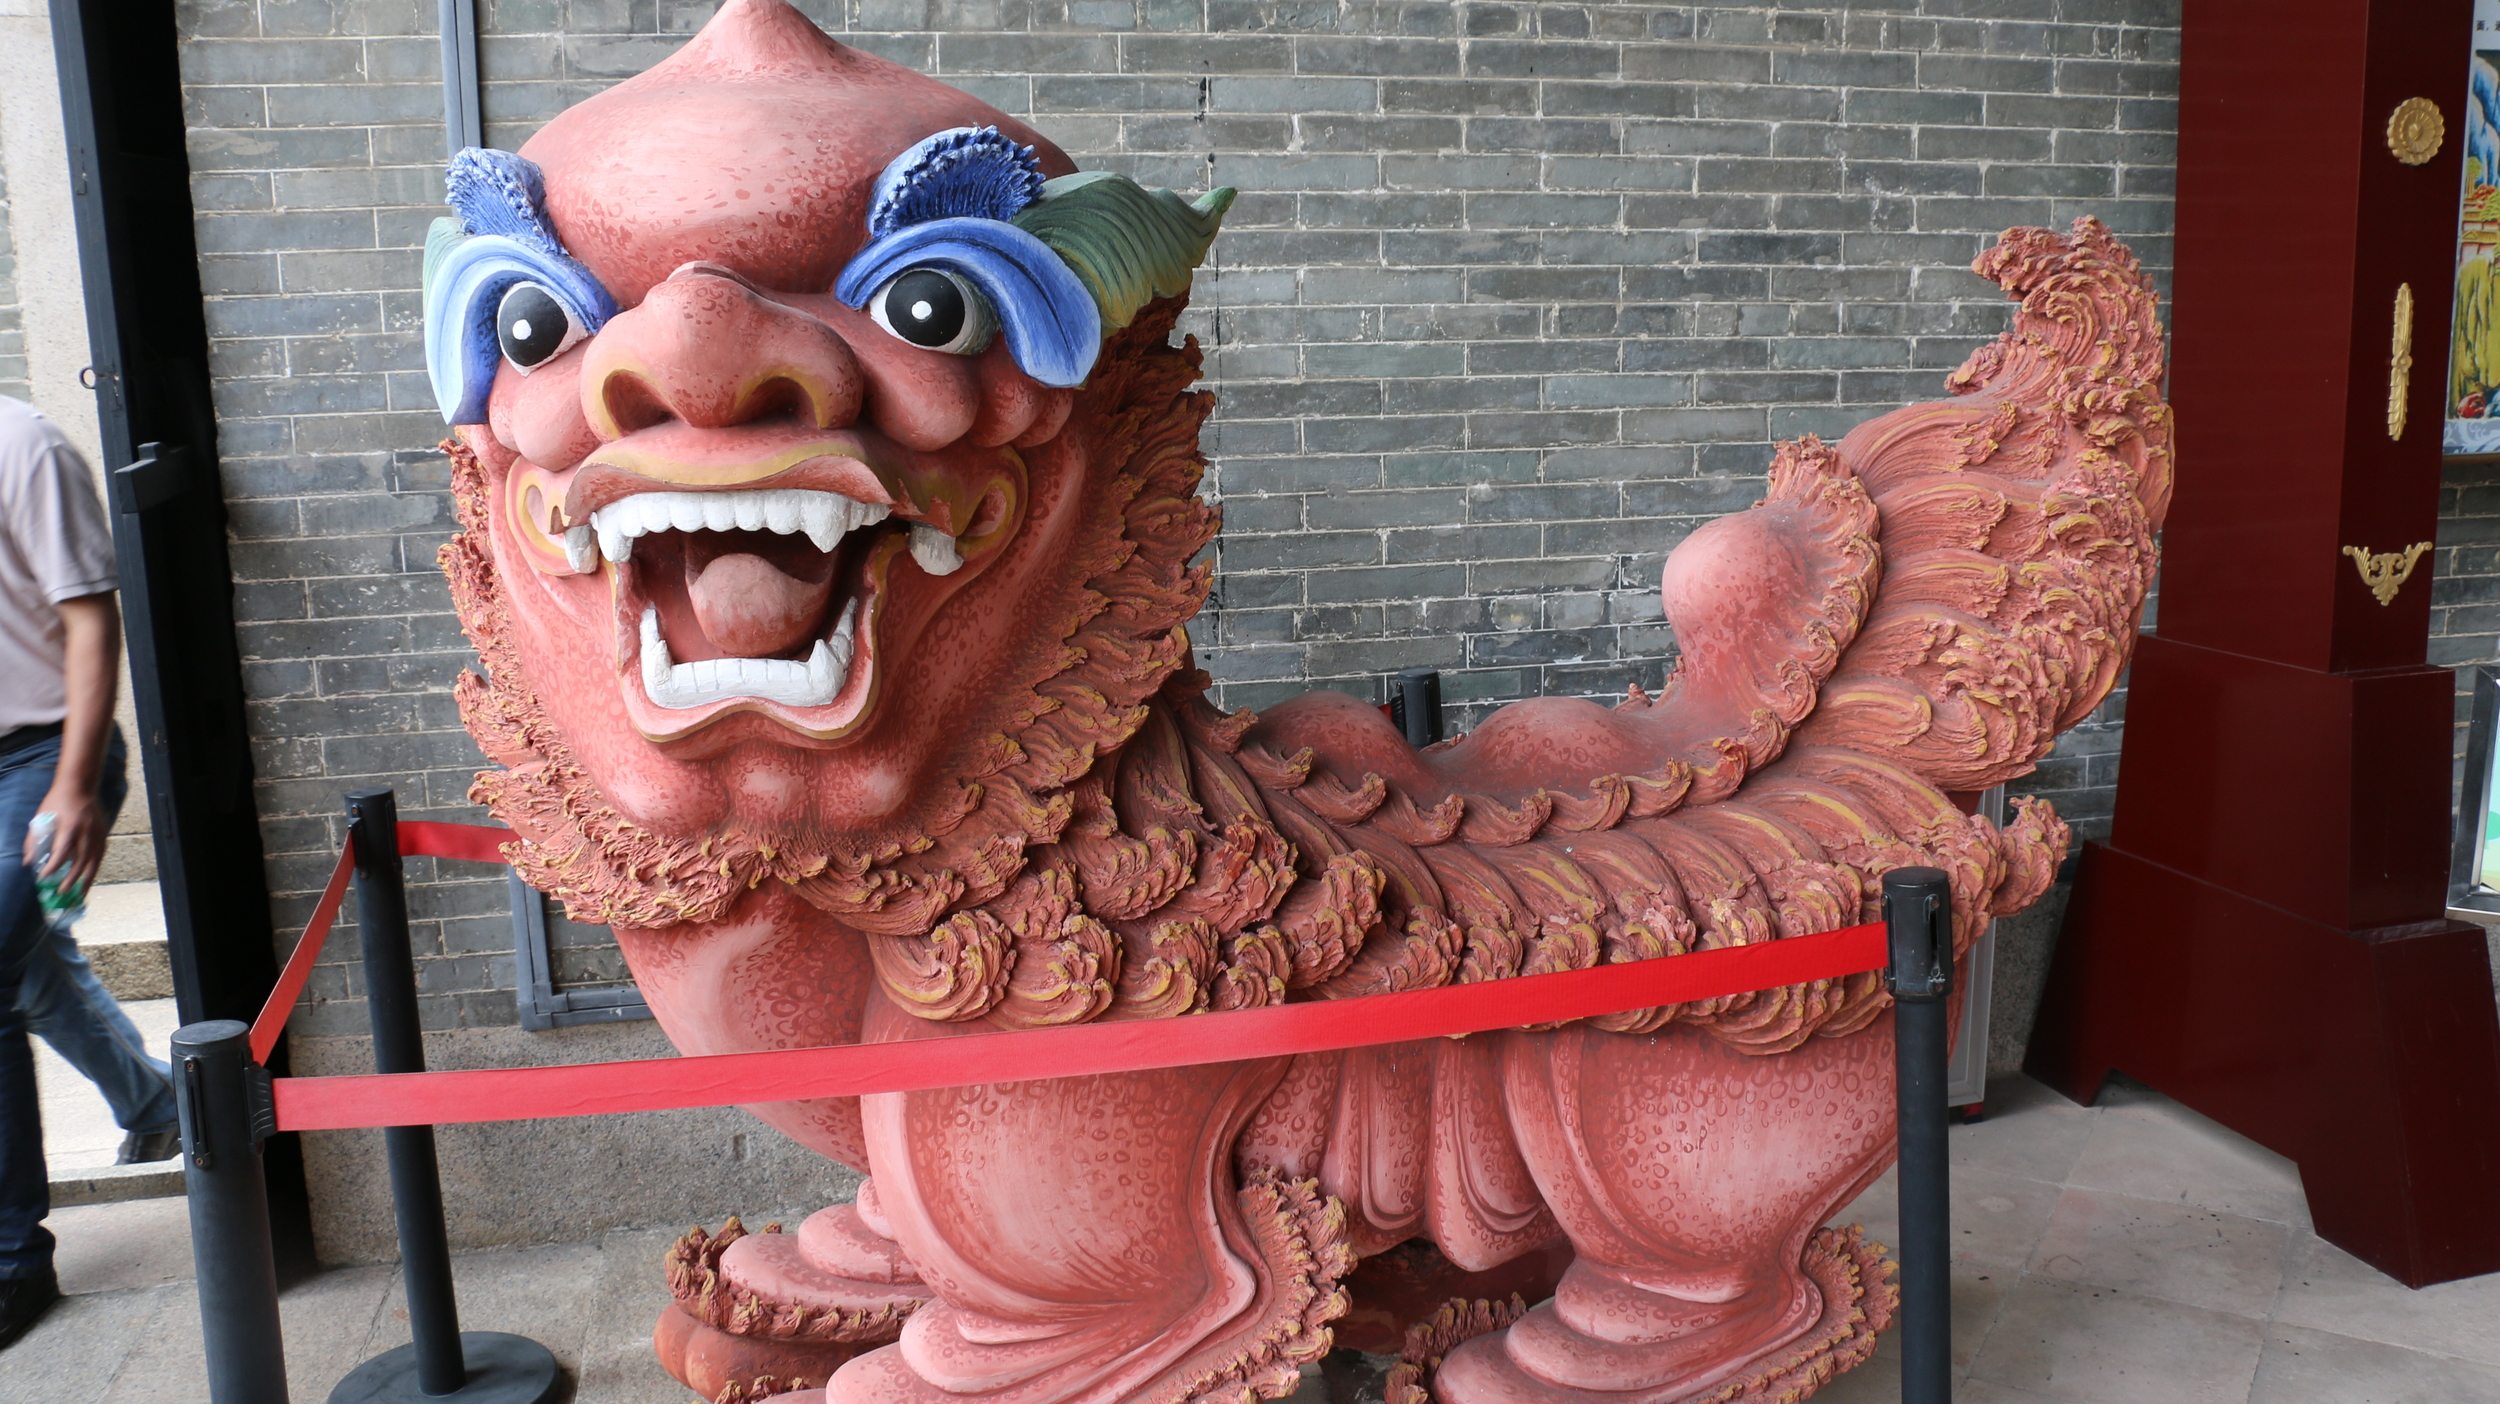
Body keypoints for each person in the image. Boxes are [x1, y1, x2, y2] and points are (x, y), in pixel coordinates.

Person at [0, 393, 166, 1345]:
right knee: (28, 965)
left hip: (46, 757)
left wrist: (74, 787)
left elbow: (92, 621)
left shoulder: (26, 449)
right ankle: (151, 1101)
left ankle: (14, 1261)